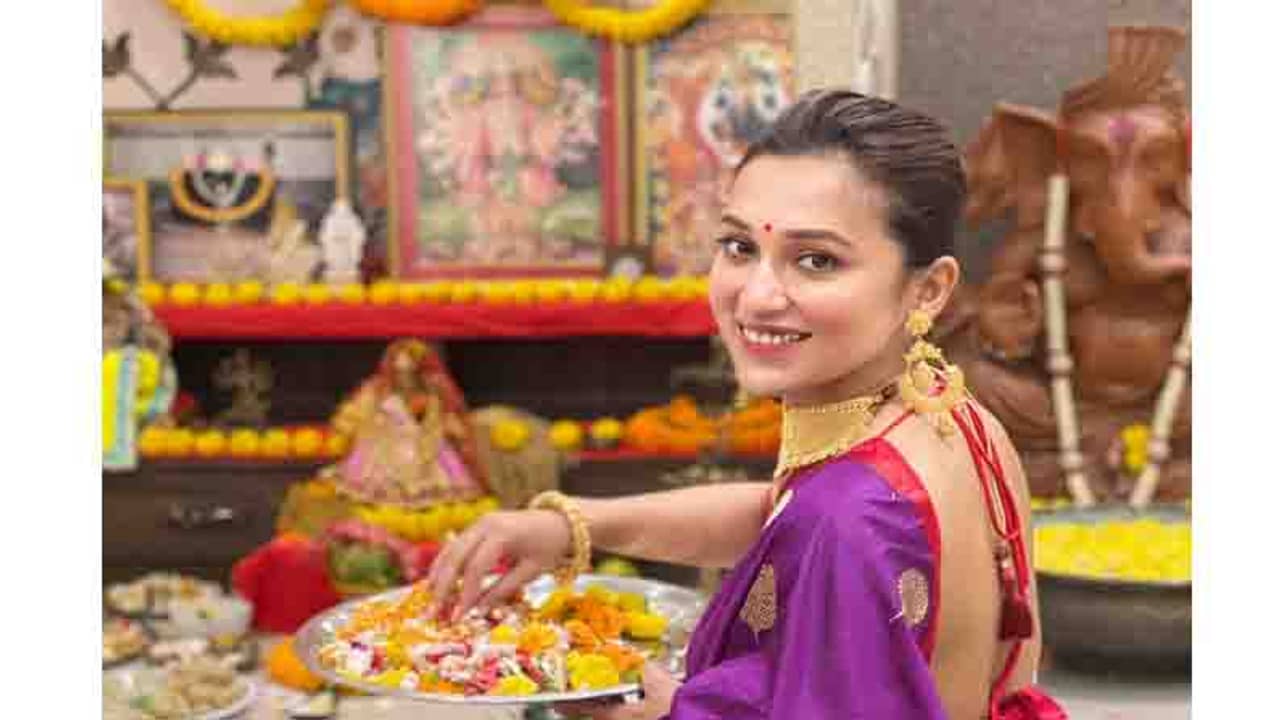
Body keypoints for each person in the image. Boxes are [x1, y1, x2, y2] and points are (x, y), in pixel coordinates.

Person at [425, 89, 1066, 719]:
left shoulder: (854, 515)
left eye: (816, 261)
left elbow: (830, 528)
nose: (756, 297)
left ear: (928, 289)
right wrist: (575, 526)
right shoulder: (945, 414)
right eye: (739, 247)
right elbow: (784, 515)